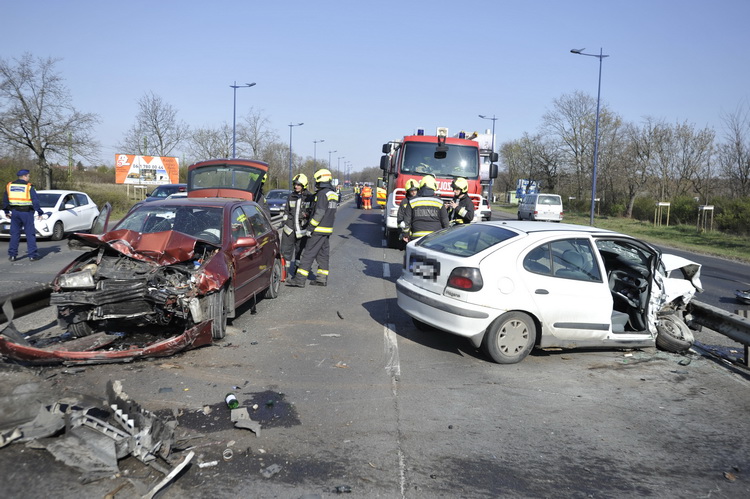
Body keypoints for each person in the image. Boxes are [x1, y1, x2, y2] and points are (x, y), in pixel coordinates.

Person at [286, 168, 338, 288]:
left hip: (318, 229)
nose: (316, 183)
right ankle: (321, 278)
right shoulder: (333, 194)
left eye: (316, 180)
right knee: (323, 254)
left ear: (320, 180)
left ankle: (299, 279)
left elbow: (319, 213)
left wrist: (310, 227)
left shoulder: (321, 194)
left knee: (308, 253)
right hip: (327, 229)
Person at [2, 169, 45, 262]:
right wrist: (39, 212)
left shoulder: (9, 185)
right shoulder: (29, 187)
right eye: (28, 176)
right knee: (30, 234)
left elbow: (5, 199)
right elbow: (35, 201)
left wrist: (6, 211)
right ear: (25, 176)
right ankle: (32, 255)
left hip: (15, 213)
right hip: (27, 213)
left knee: (14, 234)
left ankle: (12, 255)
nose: (29, 178)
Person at [280, 173, 313, 279]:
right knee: (285, 251)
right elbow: (286, 211)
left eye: (299, 185)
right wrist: (285, 223)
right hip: (289, 230)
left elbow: (312, 213)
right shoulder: (291, 196)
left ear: (304, 185)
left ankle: (297, 273)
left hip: (303, 231)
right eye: (295, 184)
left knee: (300, 252)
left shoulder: (309, 197)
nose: (296, 187)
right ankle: (283, 273)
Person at [401, 174, 449, 242]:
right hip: (435, 238)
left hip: (416, 238)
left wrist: (405, 234)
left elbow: (407, 221)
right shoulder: (439, 202)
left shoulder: (412, 201)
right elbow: (445, 221)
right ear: (434, 186)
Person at [396, 178, 420, 242]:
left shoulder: (421, 201)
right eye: (411, 190)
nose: (413, 192)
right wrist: (401, 231)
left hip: (418, 228)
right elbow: (400, 216)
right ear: (408, 191)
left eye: (415, 190)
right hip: (407, 229)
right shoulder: (404, 202)